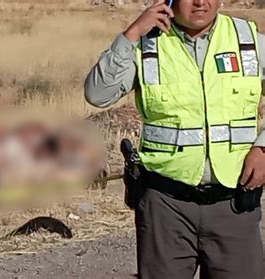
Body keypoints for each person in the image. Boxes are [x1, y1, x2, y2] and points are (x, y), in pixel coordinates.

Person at [84, 0, 265, 278]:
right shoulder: (147, 43)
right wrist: (131, 35)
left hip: (233, 204)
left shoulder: (247, 40)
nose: (200, 2)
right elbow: (98, 95)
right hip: (165, 206)